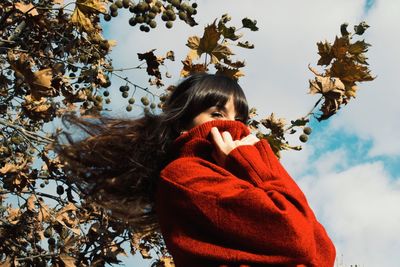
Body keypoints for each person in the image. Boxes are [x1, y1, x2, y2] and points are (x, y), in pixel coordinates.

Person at [59, 73, 336, 267]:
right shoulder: (184, 174)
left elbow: (323, 253)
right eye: (217, 114)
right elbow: (296, 238)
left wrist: (248, 165)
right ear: (183, 124)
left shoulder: (240, 175)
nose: (235, 127)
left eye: (239, 119)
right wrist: (256, 161)